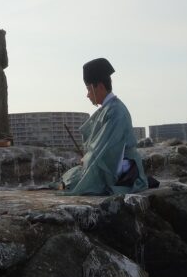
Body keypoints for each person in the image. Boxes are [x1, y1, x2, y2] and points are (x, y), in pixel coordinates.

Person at [60, 58, 148, 195]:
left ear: (100, 87)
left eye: (89, 89)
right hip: (115, 163)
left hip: (124, 170)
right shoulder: (110, 108)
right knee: (71, 177)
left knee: (78, 183)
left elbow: (106, 149)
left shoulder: (116, 111)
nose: (87, 95)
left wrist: (88, 159)